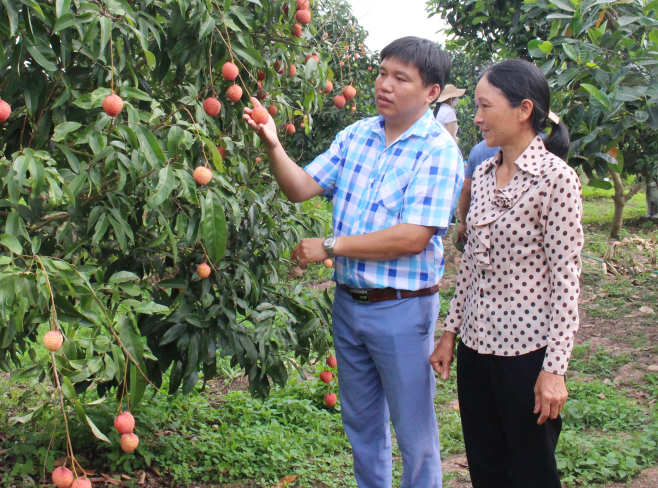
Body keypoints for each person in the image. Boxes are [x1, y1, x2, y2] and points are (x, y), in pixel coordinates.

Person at [244, 37, 465, 488]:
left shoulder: (438, 151)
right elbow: (302, 187)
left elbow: (413, 236)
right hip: (350, 305)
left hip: (402, 308)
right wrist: (272, 144)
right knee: (362, 427)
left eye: (400, 78)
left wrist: (331, 246)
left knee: (414, 435)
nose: (384, 84)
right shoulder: (356, 135)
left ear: (431, 92)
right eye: (382, 73)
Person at [429, 59, 584, 488]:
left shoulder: (557, 180)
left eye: (484, 106)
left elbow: (566, 279)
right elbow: (472, 267)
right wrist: (450, 333)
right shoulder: (481, 174)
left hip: (527, 354)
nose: (476, 117)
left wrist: (554, 369)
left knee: (531, 471)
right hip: (477, 350)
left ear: (523, 109)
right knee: (487, 467)